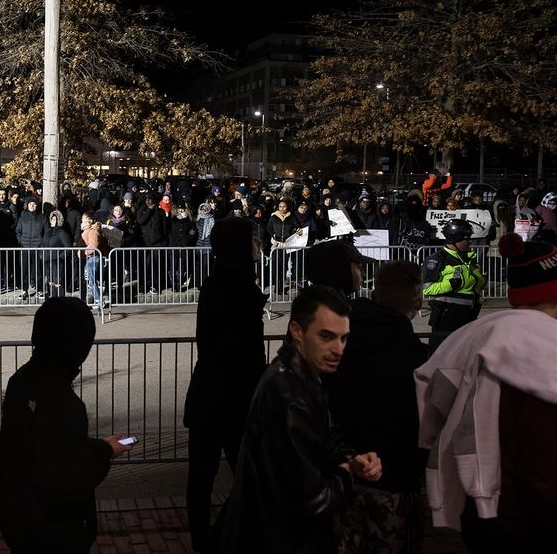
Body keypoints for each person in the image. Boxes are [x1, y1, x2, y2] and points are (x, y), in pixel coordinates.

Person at [415, 232, 557, 553]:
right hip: (524, 523)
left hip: (477, 514)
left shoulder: (473, 338)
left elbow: (430, 411)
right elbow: (543, 471)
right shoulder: (542, 353)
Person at [220, 285, 383, 554]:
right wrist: (347, 472)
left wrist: (351, 458)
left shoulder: (301, 375)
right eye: (327, 336)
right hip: (281, 539)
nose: (338, 349)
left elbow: (325, 435)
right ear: (297, 331)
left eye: (343, 338)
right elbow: (314, 500)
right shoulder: (289, 393)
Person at [0, 298, 132, 553]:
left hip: (20, 522)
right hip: (53, 532)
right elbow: (69, 476)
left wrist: (97, 446)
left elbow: (44, 448)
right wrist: (105, 451)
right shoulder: (61, 401)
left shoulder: (22, 381)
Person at [324, 261, 430, 554]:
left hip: (344, 473)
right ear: (418, 303)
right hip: (395, 479)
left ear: (374, 294)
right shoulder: (419, 359)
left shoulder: (338, 345)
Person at [183, 217, 266, 553]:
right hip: (229, 400)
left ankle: (208, 540)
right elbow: (237, 351)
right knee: (246, 477)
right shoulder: (233, 288)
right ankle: (213, 540)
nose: (259, 246)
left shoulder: (224, 282)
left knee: (207, 478)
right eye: (253, 240)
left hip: (213, 397)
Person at [422, 218, 486, 334]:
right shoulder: (438, 259)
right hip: (446, 318)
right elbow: (426, 288)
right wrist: (450, 284)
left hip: (468, 315)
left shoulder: (469, 258)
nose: (470, 242)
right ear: (455, 240)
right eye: (467, 239)